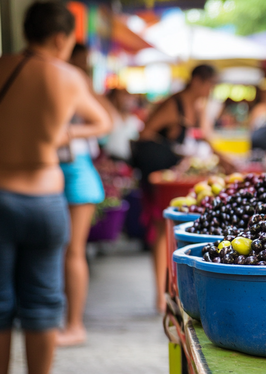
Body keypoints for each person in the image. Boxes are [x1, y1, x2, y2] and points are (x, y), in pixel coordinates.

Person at [0, 2, 110, 373]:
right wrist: (69, 132)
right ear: (61, 38)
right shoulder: (67, 77)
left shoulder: (2, 67)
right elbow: (103, 121)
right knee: (44, 303)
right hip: (45, 198)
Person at [134, 64, 234, 313]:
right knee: (161, 232)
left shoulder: (197, 107)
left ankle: (175, 291)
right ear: (199, 81)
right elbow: (144, 135)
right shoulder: (173, 105)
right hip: (161, 179)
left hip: (179, 180)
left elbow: (207, 138)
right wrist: (173, 151)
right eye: (210, 85)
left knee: (176, 233)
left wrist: (227, 161)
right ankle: (161, 296)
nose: (211, 90)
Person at [56, 43, 114, 347]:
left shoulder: (78, 83)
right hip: (53, 173)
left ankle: (74, 324)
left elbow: (106, 122)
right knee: (59, 252)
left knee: (72, 251)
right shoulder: (56, 77)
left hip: (77, 172)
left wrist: (68, 134)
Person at [104, 88, 143, 162]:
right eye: (125, 96)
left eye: (130, 97)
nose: (128, 100)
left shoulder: (135, 121)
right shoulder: (109, 117)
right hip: (108, 161)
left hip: (128, 162)